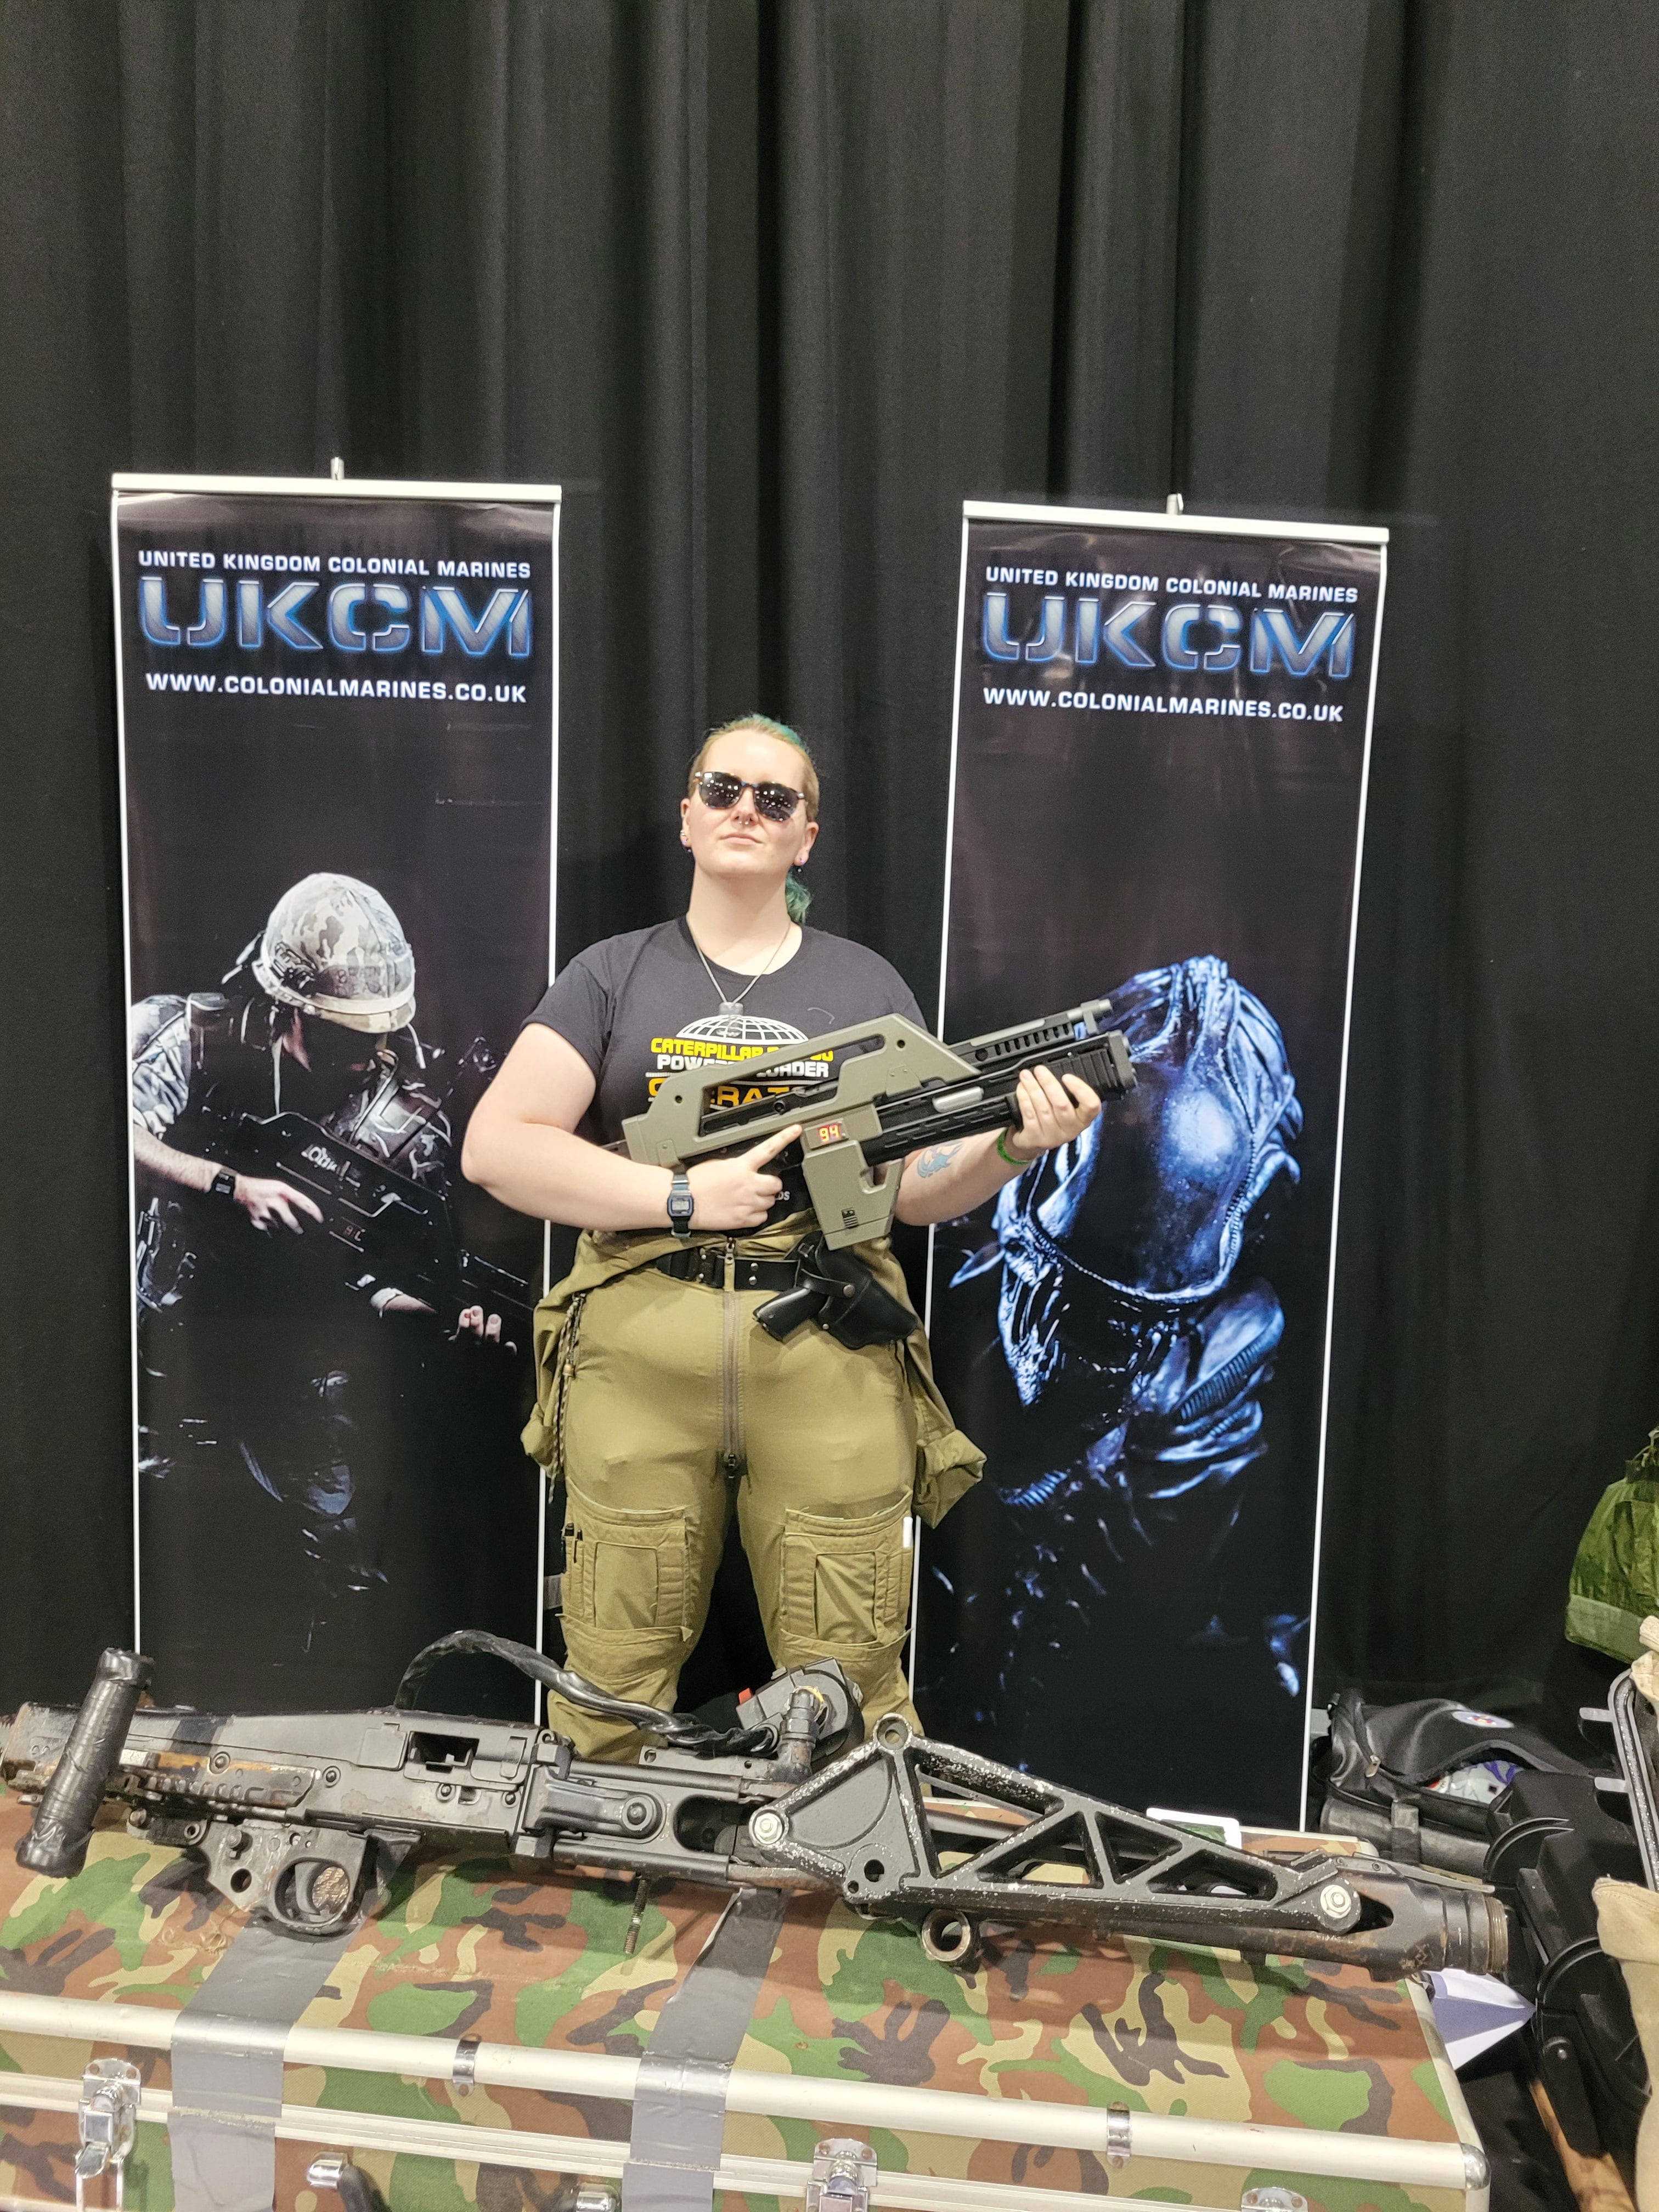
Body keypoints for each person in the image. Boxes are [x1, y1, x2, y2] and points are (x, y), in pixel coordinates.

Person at [462, 714, 1101, 1756]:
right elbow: (497, 1148)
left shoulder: (865, 988)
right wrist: (683, 1198)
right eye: (723, 790)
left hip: (825, 1346)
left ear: (808, 836)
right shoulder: (612, 974)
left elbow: (916, 1189)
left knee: (850, 1680)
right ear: (686, 816)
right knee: (611, 1678)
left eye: (775, 799)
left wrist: (1013, 1145)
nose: (745, 811)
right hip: (641, 1345)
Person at [132, 871, 502, 1599]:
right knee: (163, 1539)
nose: (367, 1052)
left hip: (297, 1371)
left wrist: (442, 1316)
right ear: (288, 1008)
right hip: (177, 1344)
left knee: (331, 1568)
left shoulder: (407, 1126)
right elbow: (118, 1128)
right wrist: (230, 1186)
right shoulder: (198, 1039)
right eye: (343, 1033)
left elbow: (379, 1279)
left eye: (380, 1033)